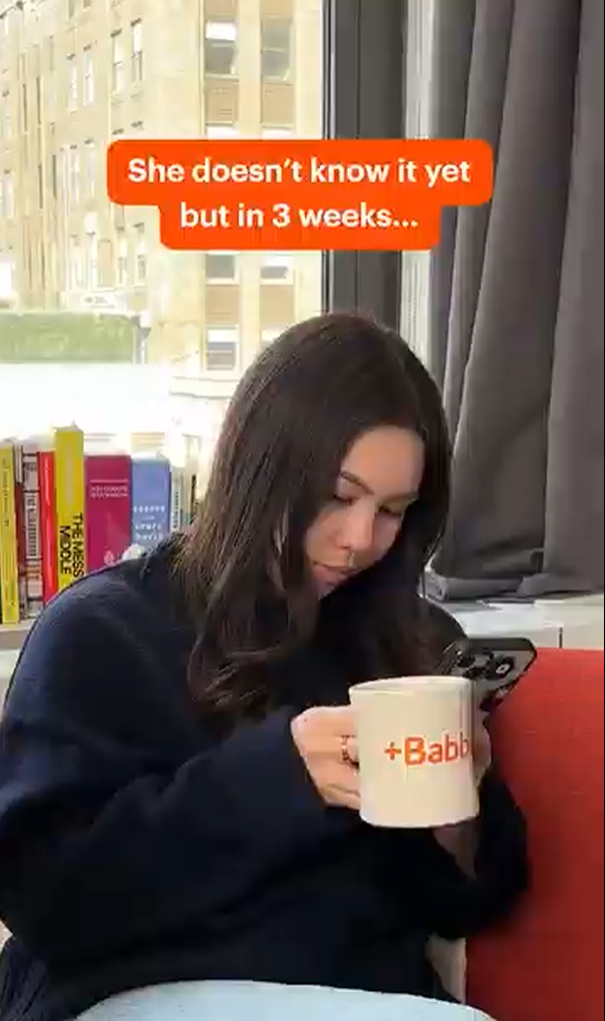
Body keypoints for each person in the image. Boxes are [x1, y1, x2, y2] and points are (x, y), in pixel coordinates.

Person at [0, 313, 528, 1021]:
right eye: (338, 496)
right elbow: (44, 896)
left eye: (393, 510)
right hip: (137, 991)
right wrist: (281, 776)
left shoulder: (413, 643)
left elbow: (472, 903)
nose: (359, 538)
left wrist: (457, 813)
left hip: (363, 995)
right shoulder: (101, 632)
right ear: (261, 467)